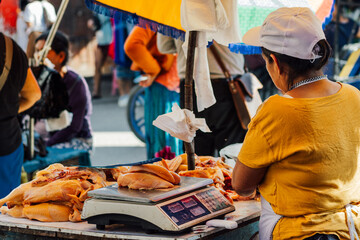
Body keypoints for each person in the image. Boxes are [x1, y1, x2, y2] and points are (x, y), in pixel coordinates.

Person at [232, 7, 360, 239]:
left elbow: (241, 185)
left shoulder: (277, 110)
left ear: (275, 63)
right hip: (350, 230)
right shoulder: (353, 95)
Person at [157, 34, 247, 156]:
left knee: (197, 154)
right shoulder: (234, 14)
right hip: (226, 85)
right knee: (230, 153)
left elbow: (164, 46)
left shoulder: (175, 14)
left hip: (190, 87)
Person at [124, 26, 183, 159]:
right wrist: (153, 69)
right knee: (165, 147)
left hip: (173, 86)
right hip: (163, 89)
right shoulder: (156, 13)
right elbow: (132, 45)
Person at [34, 31, 93, 152]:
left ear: (61, 56)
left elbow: (74, 128)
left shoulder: (76, 84)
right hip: (51, 135)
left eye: (44, 52)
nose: (39, 56)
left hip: (78, 139)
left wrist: (47, 144)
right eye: (37, 51)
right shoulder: (42, 80)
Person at [0, 33, 41, 198]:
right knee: (4, 209)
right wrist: (7, 110)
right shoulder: (11, 49)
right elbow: (34, 95)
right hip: (6, 143)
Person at [87, 14, 112, 99]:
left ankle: (122, 91)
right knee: (98, 64)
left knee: (115, 63)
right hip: (101, 38)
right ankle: (96, 91)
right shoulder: (96, 7)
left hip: (111, 36)